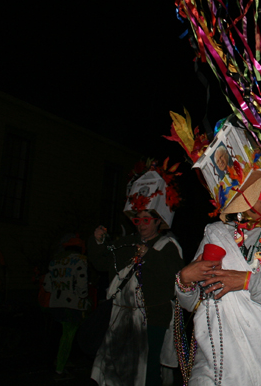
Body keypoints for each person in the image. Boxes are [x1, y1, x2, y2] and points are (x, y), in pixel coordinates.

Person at [175, 167, 261, 385]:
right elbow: (193, 304)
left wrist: (247, 281)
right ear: (245, 193)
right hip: (216, 357)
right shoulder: (217, 234)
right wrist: (185, 280)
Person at [88, 162, 185, 386]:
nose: (141, 224)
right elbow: (102, 263)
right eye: (138, 219)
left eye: (146, 219)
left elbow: (176, 278)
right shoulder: (128, 242)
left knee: (148, 371)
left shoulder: (168, 245)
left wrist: (149, 256)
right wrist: (97, 242)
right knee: (117, 371)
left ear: (158, 220)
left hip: (153, 320)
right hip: (122, 319)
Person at [44, 234, 89, 376]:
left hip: (56, 303)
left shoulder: (55, 261)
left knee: (57, 334)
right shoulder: (80, 261)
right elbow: (82, 285)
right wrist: (83, 296)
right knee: (68, 337)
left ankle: (55, 361)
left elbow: (47, 286)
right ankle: (60, 369)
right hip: (73, 304)